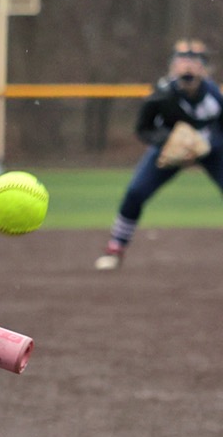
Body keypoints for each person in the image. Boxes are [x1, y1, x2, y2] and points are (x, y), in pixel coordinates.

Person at [95, 38, 223, 270]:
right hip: (169, 150)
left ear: (204, 68)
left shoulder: (215, 96)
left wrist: (208, 144)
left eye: (194, 62)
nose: (188, 66)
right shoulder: (162, 95)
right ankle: (116, 247)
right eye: (182, 61)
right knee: (135, 192)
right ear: (172, 66)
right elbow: (143, 129)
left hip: (210, 150)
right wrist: (168, 142)